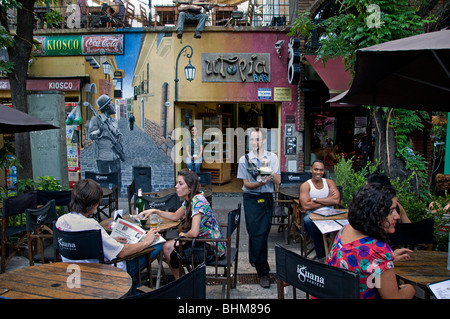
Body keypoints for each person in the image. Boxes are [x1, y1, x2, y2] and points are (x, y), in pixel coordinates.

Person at [55, 179, 163, 287]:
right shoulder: (91, 225)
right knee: (158, 244)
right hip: (103, 272)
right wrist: (146, 242)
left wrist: (109, 241)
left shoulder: (61, 221)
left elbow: (80, 245)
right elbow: (122, 253)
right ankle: (133, 287)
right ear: (93, 203)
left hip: (73, 272)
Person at [326, 183, 416, 299]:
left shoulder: (345, 230)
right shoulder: (378, 250)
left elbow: (364, 269)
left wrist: (387, 261)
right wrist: (411, 289)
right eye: (391, 211)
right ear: (375, 214)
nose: (397, 216)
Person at [138, 169, 225, 280]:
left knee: (168, 248)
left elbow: (193, 233)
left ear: (190, 186)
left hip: (212, 246)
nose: (176, 186)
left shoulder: (197, 201)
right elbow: (175, 216)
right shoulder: (190, 199)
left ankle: (181, 282)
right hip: (203, 241)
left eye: (180, 184)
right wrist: (155, 211)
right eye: (177, 183)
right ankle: (182, 281)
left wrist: (183, 235)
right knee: (168, 247)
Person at [237, 127, 281, 288]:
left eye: (258, 139)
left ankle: (254, 259)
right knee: (257, 233)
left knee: (262, 233)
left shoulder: (272, 157)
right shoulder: (244, 160)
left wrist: (266, 168)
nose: (255, 142)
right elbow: (247, 184)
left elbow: (278, 181)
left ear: (263, 141)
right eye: (252, 139)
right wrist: (259, 183)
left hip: (267, 199)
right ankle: (263, 272)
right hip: (251, 198)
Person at [299, 159, 340, 260]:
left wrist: (315, 199)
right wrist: (327, 200)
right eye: (316, 169)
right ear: (311, 170)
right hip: (314, 217)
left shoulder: (329, 183)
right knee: (307, 221)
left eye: (321, 170)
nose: (318, 172)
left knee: (347, 223)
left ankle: (337, 253)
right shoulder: (306, 185)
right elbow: (305, 206)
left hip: (331, 215)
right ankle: (322, 254)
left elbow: (336, 201)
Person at [88, 94, 125, 174]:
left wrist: (119, 135)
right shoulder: (96, 120)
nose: (114, 105)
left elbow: (117, 132)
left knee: (117, 180)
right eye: (111, 104)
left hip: (115, 155)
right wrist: (100, 130)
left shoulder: (114, 121)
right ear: (107, 107)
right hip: (103, 157)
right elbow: (91, 136)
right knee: (104, 180)